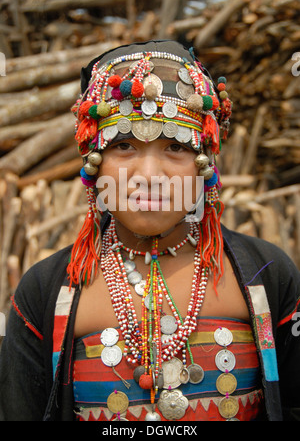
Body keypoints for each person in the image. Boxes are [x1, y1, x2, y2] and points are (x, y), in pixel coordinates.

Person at [0, 40, 299, 422]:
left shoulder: (269, 276)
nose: (149, 176)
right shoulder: (42, 294)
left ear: (203, 162)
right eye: (124, 145)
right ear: (95, 162)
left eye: (175, 147)